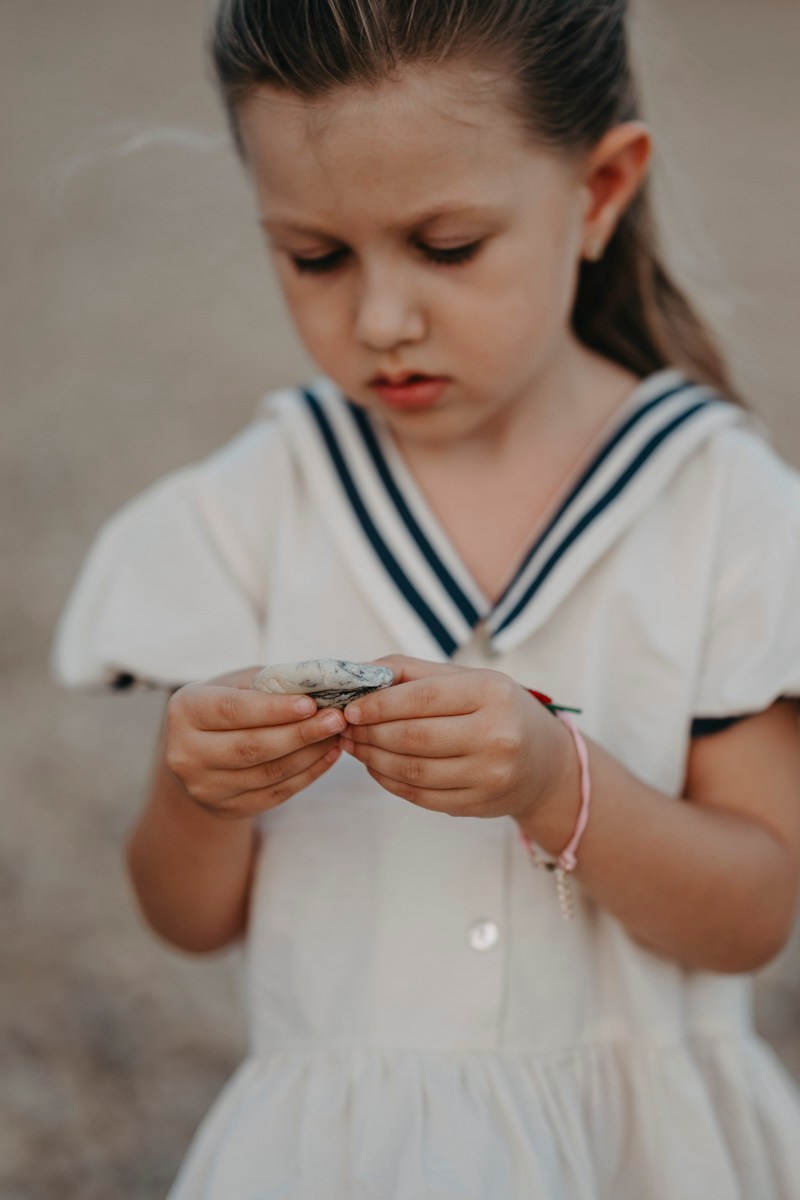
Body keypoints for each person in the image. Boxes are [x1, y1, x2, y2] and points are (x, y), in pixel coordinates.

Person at [52, 1, 800, 1196]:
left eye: (446, 247)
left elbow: (752, 913)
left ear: (598, 189)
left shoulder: (718, 507)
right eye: (314, 257)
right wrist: (201, 792)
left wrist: (560, 781)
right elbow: (185, 919)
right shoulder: (253, 508)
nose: (379, 320)